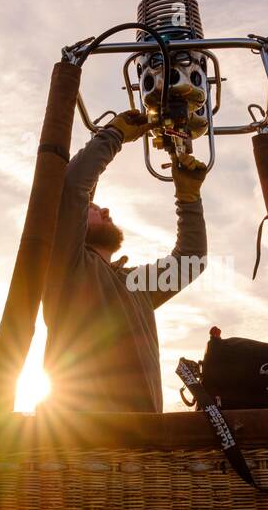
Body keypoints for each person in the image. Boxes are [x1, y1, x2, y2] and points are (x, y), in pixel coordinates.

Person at [42, 110, 207, 411]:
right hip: (85, 443)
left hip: (144, 442)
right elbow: (72, 187)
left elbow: (191, 261)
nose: (105, 211)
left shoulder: (135, 284)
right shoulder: (66, 266)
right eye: (93, 208)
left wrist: (188, 198)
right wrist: (113, 135)